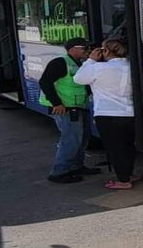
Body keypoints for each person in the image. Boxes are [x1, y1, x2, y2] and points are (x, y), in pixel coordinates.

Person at [73, 38, 139, 190]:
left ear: (106, 51)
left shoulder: (99, 68)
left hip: (107, 114)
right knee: (128, 146)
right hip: (129, 112)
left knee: (115, 148)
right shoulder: (130, 66)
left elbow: (78, 79)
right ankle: (129, 174)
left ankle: (123, 180)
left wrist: (90, 61)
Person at [39, 37, 101, 184]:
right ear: (73, 49)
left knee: (82, 138)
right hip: (65, 108)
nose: (87, 51)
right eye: (84, 48)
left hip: (79, 105)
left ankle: (76, 166)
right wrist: (56, 103)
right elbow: (45, 82)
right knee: (70, 139)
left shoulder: (80, 63)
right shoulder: (60, 63)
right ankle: (59, 172)